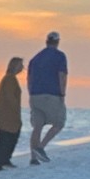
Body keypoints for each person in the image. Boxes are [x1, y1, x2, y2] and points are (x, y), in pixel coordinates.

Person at [27, 31, 67, 163]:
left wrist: (31, 93)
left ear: (46, 41)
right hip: (51, 95)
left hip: (34, 95)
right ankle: (40, 148)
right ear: (57, 42)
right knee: (59, 123)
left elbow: (29, 78)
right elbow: (62, 76)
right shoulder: (60, 56)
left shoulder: (35, 58)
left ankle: (33, 158)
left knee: (37, 126)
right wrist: (62, 94)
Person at [0, 56, 24, 171]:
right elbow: (10, 97)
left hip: (8, 114)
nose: (22, 68)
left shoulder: (10, 78)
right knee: (6, 138)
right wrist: (15, 111)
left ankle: (4, 160)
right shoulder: (9, 79)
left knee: (8, 137)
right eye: (20, 65)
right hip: (7, 114)